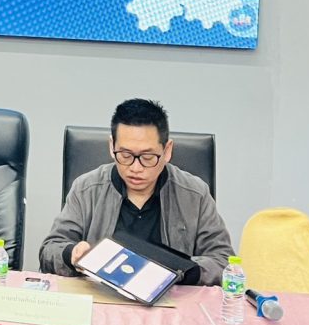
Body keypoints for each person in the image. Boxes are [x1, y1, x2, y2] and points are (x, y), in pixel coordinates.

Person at [39, 98, 233, 285]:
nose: (135, 168)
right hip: (100, 299)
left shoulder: (195, 194)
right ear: (111, 146)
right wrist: (71, 254)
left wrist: (183, 270)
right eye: (125, 155)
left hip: (170, 302)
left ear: (167, 151)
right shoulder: (86, 189)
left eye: (147, 157)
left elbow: (223, 261)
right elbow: (50, 250)